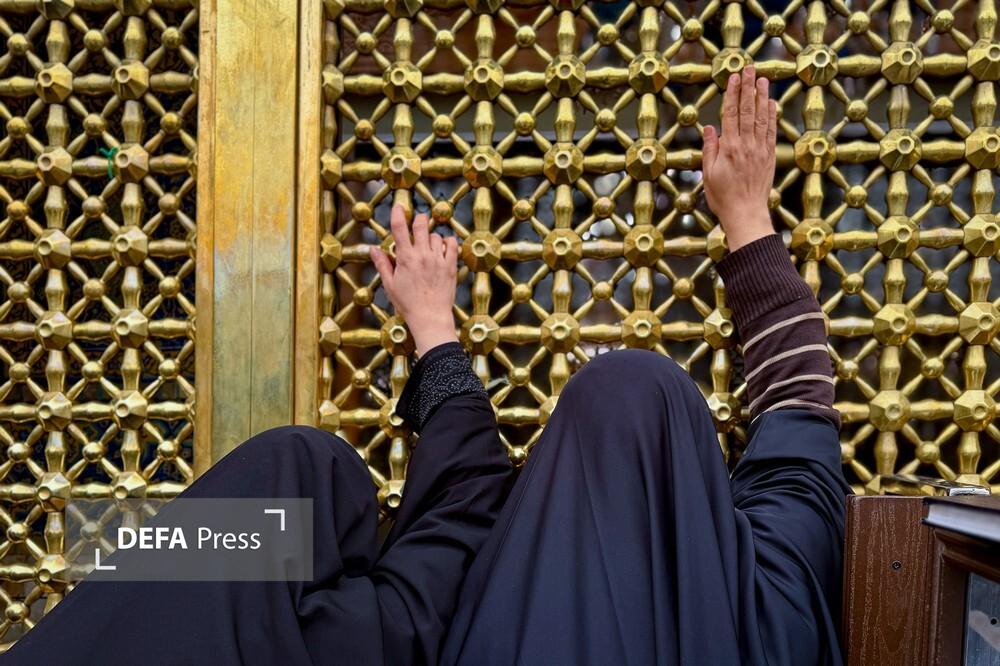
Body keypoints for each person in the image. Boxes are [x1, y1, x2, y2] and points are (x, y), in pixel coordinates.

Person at [3, 67, 848, 665]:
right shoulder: (758, 622)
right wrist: (748, 218)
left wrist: (434, 335)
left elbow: (440, 547)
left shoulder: (406, 628)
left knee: (297, 476)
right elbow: (799, 426)